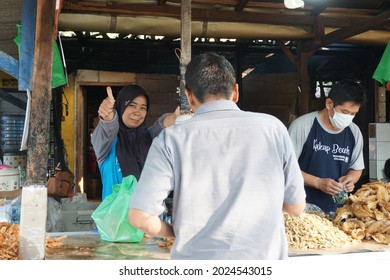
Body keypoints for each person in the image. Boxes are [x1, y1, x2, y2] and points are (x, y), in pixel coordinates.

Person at [128, 52, 306, 260]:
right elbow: (296, 207)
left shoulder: (171, 139)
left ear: (189, 96)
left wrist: (176, 232)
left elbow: (140, 217)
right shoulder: (274, 128)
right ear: (236, 92)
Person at [288, 79, 366, 214]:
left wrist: (350, 179)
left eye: (353, 114)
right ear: (329, 103)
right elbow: (286, 170)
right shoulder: (303, 126)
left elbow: (356, 168)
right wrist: (318, 182)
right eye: (345, 112)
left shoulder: (354, 132)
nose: (348, 118)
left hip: (338, 212)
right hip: (302, 209)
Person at [91, 85, 178, 200]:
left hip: (149, 215)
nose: (137, 112)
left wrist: (176, 115)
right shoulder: (106, 143)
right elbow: (108, 128)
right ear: (121, 106)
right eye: (132, 105)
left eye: (143, 107)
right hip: (117, 217)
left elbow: (162, 125)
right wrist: (108, 115)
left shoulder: (149, 137)